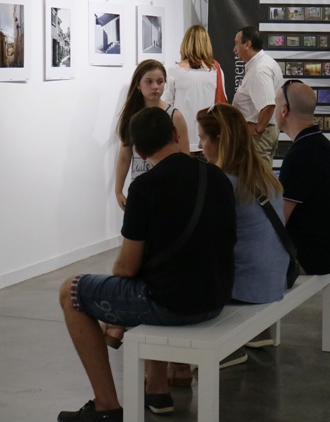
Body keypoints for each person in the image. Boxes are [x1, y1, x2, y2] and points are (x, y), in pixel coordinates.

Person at [58, 107, 237, 421]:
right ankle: (153, 386)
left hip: (175, 304)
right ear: (176, 135)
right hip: (216, 297)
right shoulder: (216, 176)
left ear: (138, 150)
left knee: (71, 291)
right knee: (151, 282)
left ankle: (106, 407)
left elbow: (127, 267)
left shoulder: (144, 187)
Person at [196, 103, 290, 367]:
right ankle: (259, 332)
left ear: (220, 141)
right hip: (275, 280)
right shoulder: (263, 175)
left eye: (203, 138)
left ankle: (224, 348)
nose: (200, 146)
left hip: (248, 289)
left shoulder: (223, 182)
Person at [273, 80, 330, 275]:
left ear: (284, 110)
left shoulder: (302, 154)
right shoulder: (319, 145)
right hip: (329, 251)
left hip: (315, 256)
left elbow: (280, 218)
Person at [114, 60, 190, 210]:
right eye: (149, 82)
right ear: (138, 84)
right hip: (140, 186)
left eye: (160, 82)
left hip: (169, 188)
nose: (155, 86)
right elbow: (124, 156)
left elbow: (184, 156)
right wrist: (118, 190)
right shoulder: (131, 116)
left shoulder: (175, 116)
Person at [163, 25, 225, 156]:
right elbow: (221, 103)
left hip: (181, 139)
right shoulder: (215, 69)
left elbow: (167, 106)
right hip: (209, 138)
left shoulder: (174, 70)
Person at [231, 26, 284, 167]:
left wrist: (258, 129)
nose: (234, 49)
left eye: (237, 43)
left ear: (247, 44)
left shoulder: (259, 69)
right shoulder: (264, 63)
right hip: (263, 134)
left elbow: (268, 105)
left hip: (259, 137)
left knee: (258, 183)